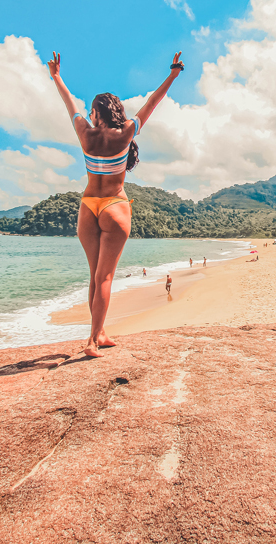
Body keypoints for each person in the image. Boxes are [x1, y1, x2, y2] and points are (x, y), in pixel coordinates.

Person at [48, 50, 184, 357]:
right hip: (115, 206)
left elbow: (68, 100)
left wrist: (56, 75)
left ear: (96, 113)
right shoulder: (126, 132)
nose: (88, 113)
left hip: (88, 206)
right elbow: (151, 103)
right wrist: (173, 75)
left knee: (94, 276)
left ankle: (100, 333)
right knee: (105, 276)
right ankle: (93, 340)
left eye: (91, 110)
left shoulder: (84, 131)